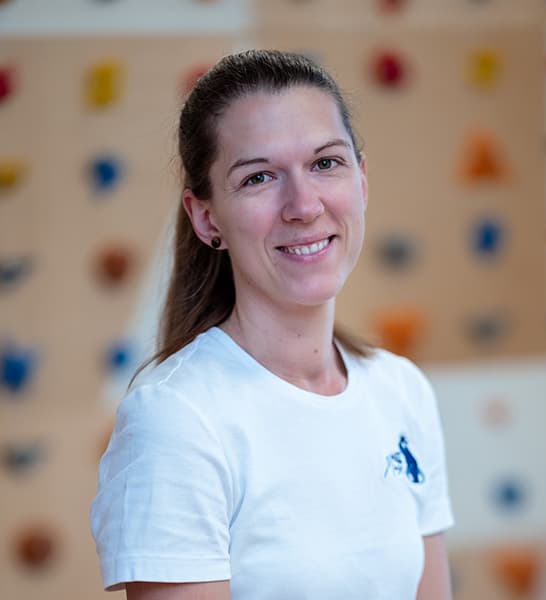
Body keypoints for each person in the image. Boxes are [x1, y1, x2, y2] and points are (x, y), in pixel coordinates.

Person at [90, 49, 454, 600]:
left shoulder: (402, 391)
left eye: (326, 164)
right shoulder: (176, 419)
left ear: (361, 180)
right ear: (206, 217)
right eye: (259, 177)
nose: (304, 205)